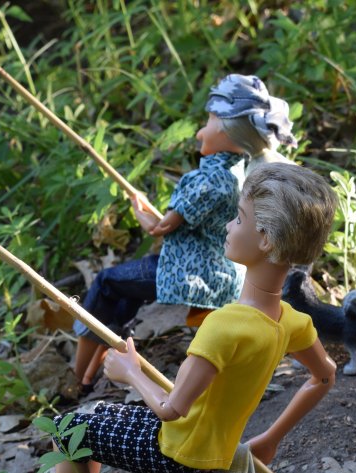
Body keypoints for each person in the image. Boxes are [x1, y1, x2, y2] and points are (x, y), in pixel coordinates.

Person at [52, 162, 338, 473]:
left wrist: (131, 372)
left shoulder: (224, 325)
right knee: (91, 419)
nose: (227, 226)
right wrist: (269, 439)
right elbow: (325, 376)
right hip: (217, 450)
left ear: (265, 239)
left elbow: (172, 410)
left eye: (238, 218)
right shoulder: (289, 321)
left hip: (179, 455)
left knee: (67, 430)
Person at [73, 74, 298, 391]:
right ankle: (92, 370)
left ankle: (78, 375)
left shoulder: (208, 181)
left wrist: (137, 207)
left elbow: (159, 228)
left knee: (106, 283)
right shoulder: (241, 172)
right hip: (222, 270)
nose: (199, 132)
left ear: (226, 130)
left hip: (188, 271)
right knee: (124, 293)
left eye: (208, 123)